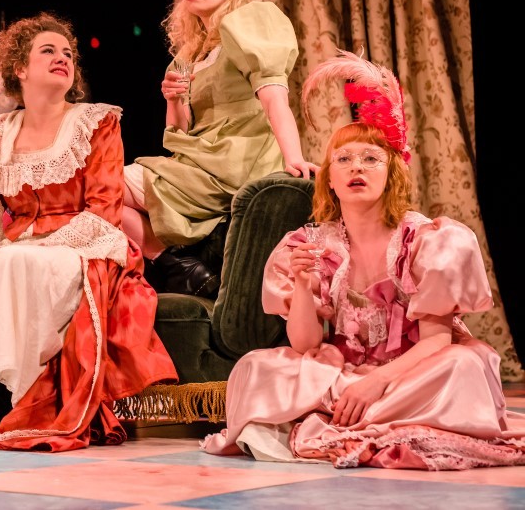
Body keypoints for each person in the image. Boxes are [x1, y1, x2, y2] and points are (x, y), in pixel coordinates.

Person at [203, 50, 525, 470]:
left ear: (390, 173)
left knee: (464, 366)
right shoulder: (308, 244)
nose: (357, 167)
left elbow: (437, 341)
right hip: (343, 370)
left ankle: (354, 420)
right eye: (344, 159)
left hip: (414, 370)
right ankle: (367, 417)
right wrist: (301, 282)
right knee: (255, 367)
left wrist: (376, 382)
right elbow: (305, 345)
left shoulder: (426, 239)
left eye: (371, 158)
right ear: (330, 178)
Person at [0, 13, 178, 452]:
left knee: (18, 259)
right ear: (20, 68)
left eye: (67, 53)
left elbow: (104, 210)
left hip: (88, 243)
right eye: (47, 51)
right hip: (21, 244)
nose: (62, 58)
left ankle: (18, 397)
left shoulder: (97, 122)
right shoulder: (2, 129)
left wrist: (35, 244)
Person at [122, 0, 317, 297]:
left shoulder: (249, 25)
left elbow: (274, 97)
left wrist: (293, 158)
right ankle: (174, 264)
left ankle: (172, 263)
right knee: (94, 191)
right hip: (197, 160)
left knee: (100, 184)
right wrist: (173, 98)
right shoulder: (189, 56)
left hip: (237, 159)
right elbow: (179, 131)